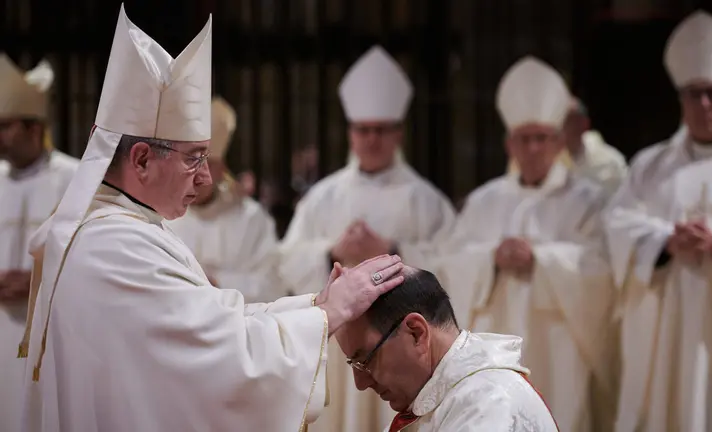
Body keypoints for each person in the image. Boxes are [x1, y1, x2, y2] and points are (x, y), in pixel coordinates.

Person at [17, 6, 405, 432]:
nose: (205, 178)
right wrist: (330, 313)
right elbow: (223, 356)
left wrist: (314, 305)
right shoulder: (112, 245)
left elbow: (215, 321)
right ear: (142, 158)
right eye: (193, 159)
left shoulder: (122, 228)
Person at [604, 10, 712, 431]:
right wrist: (664, 242)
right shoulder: (651, 164)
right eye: (694, 94)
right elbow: (618, 221)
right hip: (670, 327)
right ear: (681, 100)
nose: (705, 104)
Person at [280, 45, 456, 432]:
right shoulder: (322, 197)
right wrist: (331, 253)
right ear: (350, 133)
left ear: (398, 133)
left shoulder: (426, 200)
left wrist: (392, 253)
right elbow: (283, 262)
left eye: (381, 130)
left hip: (402, 355)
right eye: (363, 130)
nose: (372, 139)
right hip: (342, 347)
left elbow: (456, 268)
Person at [436, 56, 616, 432]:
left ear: (558, 140)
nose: (533, 148)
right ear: (509, 143)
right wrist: (491, 259)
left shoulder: (588, 200)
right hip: (492, 344)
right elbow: (448, 263)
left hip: (558, 342)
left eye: (542, 138)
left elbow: (602, 268)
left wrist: (541, 260)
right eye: (524, 139)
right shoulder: (484, 201)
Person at [335, 265, 559, 431]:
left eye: (365, 360)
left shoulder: (488, 402)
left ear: (416, 332)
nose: (361, 383)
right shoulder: (440, 399)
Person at [0, 54, 79, 432]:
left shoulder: (74, 179)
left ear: (35, 129)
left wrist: (37, 282)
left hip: (51, 337)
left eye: (6, 126)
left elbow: (89, 259)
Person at [167, 96, 286, 303]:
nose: (197, 175)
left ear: (222, 169)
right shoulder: (161, 216)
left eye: (207, 164)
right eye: (189, 162)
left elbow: (273, 284)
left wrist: (218, 283)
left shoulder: (251, 218)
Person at [561, 98, 627, 193]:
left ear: (584, 124)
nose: (559, 128)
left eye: (566, 122)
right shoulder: (543, 160)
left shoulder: (610, 163)